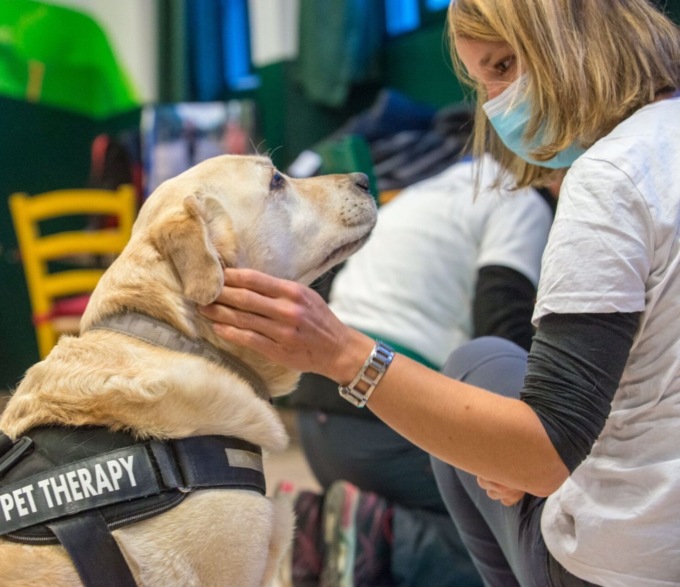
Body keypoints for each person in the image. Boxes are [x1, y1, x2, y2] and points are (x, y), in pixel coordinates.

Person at [200, 1, 680, 585]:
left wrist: (340, 351)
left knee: (478, 377)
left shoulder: (597, 181)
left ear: (571, 40)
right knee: (486, 367)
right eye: (483, 84)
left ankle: (388, 537)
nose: (495, 104)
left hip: (331, 418)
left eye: (503, 67)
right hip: (368, 422)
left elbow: (543, 445)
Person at [286, 153, 555, 587]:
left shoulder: (429, 188)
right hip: (382, 419)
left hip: (320, 420)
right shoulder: (520, 203)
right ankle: (388, 536)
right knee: (525, 534)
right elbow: (503, 325)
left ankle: (324, 530)